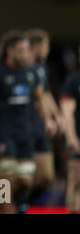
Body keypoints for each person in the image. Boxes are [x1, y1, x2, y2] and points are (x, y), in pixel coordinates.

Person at [0, 30, 56, 214]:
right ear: (9, 51)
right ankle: (4, 209)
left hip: (24, 131)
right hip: (2, 131)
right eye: (22, 50)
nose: (26, 54)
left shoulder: (31, 72)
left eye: (27, 50)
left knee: (25, 180)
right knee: (5, 178)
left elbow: (39, 96)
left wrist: (47, 120)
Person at [25, 29, 64, 209]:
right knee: (11, 175)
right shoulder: (21, 66)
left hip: (38, 124)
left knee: (46, 177)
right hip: (19, 125)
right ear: (37, 46)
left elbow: (45, 94)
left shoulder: (41, 68)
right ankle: (3, 204)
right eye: (46, 45)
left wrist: (56, 116)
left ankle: (22, 203)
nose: (48, 50)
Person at [60, 47, 80, 214]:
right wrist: (71, 136)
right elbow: (67, 112)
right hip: (78, 136)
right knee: (76, 179)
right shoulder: (73, 81)